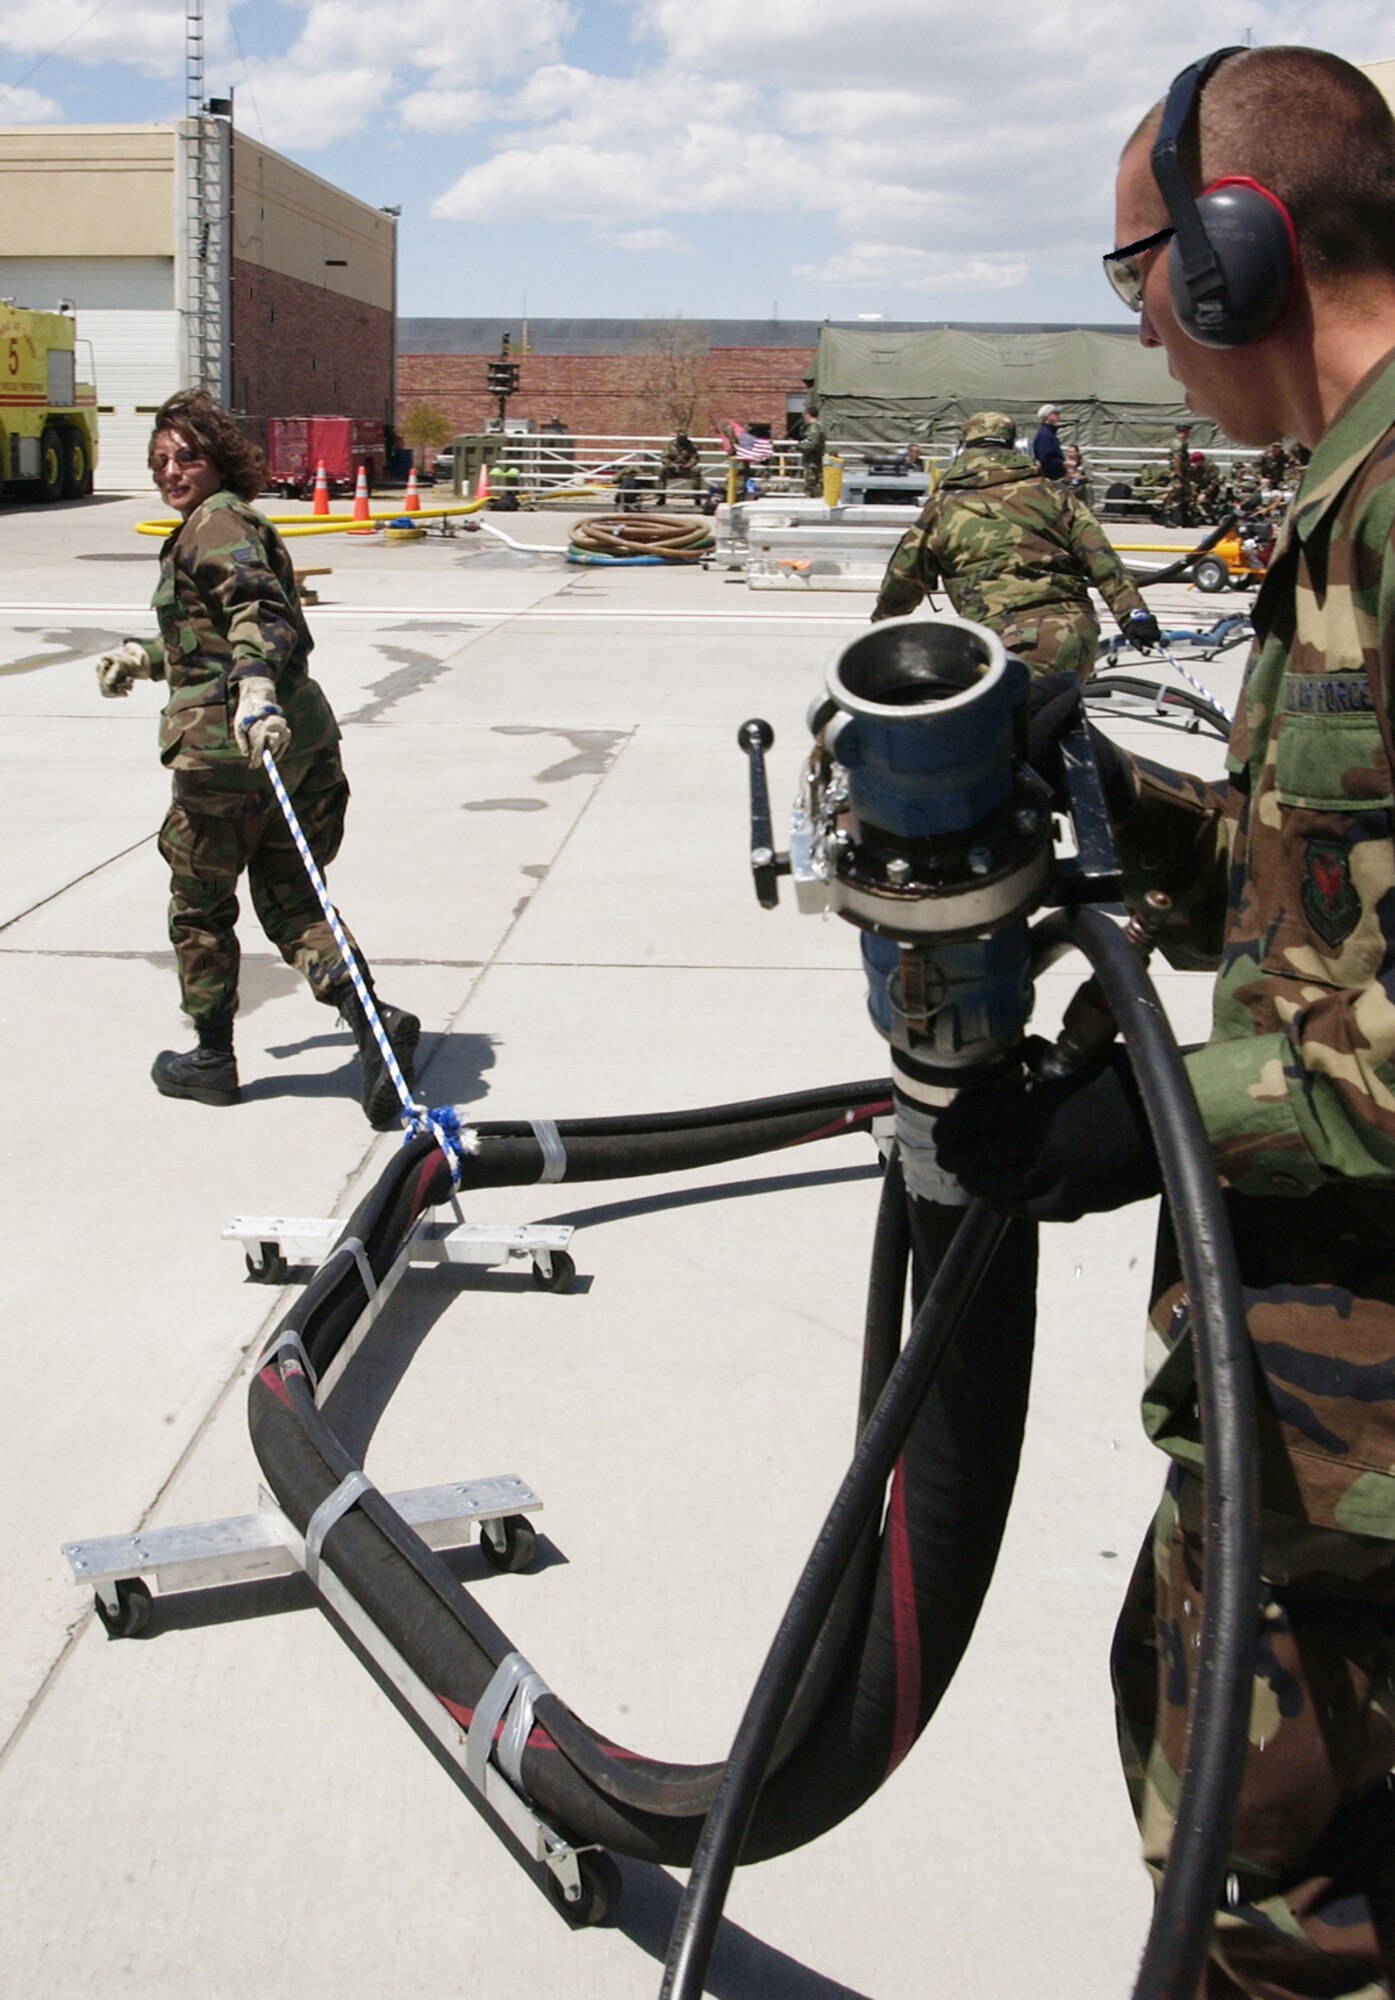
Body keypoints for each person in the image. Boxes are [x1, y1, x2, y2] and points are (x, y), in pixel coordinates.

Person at [934, 46, 1395, 1997]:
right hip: (1311, 1418)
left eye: (1137, 273)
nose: (1138, 327)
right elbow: (1330, 883)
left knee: (1279, 1922)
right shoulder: (1346, 497)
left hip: (1356, 1433)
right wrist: (1114, 808)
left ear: (1233, 253)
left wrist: (1167, 1113)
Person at [94, 390, 420, 1128]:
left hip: (228, 754)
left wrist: (255, 688)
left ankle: (212, 1058)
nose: (171, 471)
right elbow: (209, 637)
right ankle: (375, 1028)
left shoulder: (216, 523)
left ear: (220, 460)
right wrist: (144, 657)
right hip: (294, 746)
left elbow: (257, 610)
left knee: (201, 907)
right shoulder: (225, 521)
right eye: (159, 460)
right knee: (294, 899)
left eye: (187, 457)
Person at [869, 409, 1159, 676]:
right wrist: (1134, 615)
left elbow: (904, 578)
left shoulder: (945, 506)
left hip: (1010, 639)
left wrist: (880, 632)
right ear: (1017, 448)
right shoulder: (1055, 494)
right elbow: (1102, 559)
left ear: (962, 450)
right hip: (1078, 633)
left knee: (995, 713)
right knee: (1058, 710)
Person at [657, 430, 702, 504]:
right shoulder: (670, 445)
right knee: (661, 469)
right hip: (672, 469)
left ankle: (697, 498)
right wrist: (673, 465)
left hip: (686, 469)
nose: (682, 439)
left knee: (696, 469)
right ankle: (661, 496)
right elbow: (664, 457)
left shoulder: (691, 445)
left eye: (684, 437)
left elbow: (695, 458)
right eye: (680, 437)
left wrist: (687, 466)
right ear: (677, 436)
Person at [1031, 403, 1066, 480]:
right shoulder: (1045, 435)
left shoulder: (1049, 433)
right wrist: (1063, 464)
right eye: (1056, 413)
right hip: (1049, 478)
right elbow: (1046, 460)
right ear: (1048, 416)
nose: (1059, 416)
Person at [799, 402, 827, 497]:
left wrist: (799, 446)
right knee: (817, 485)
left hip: (812, 462)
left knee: (811, 486)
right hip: (817, 460)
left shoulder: (814, 428)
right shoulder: (819, 426)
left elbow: (811, 444)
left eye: (804, 415)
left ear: (808, 415)